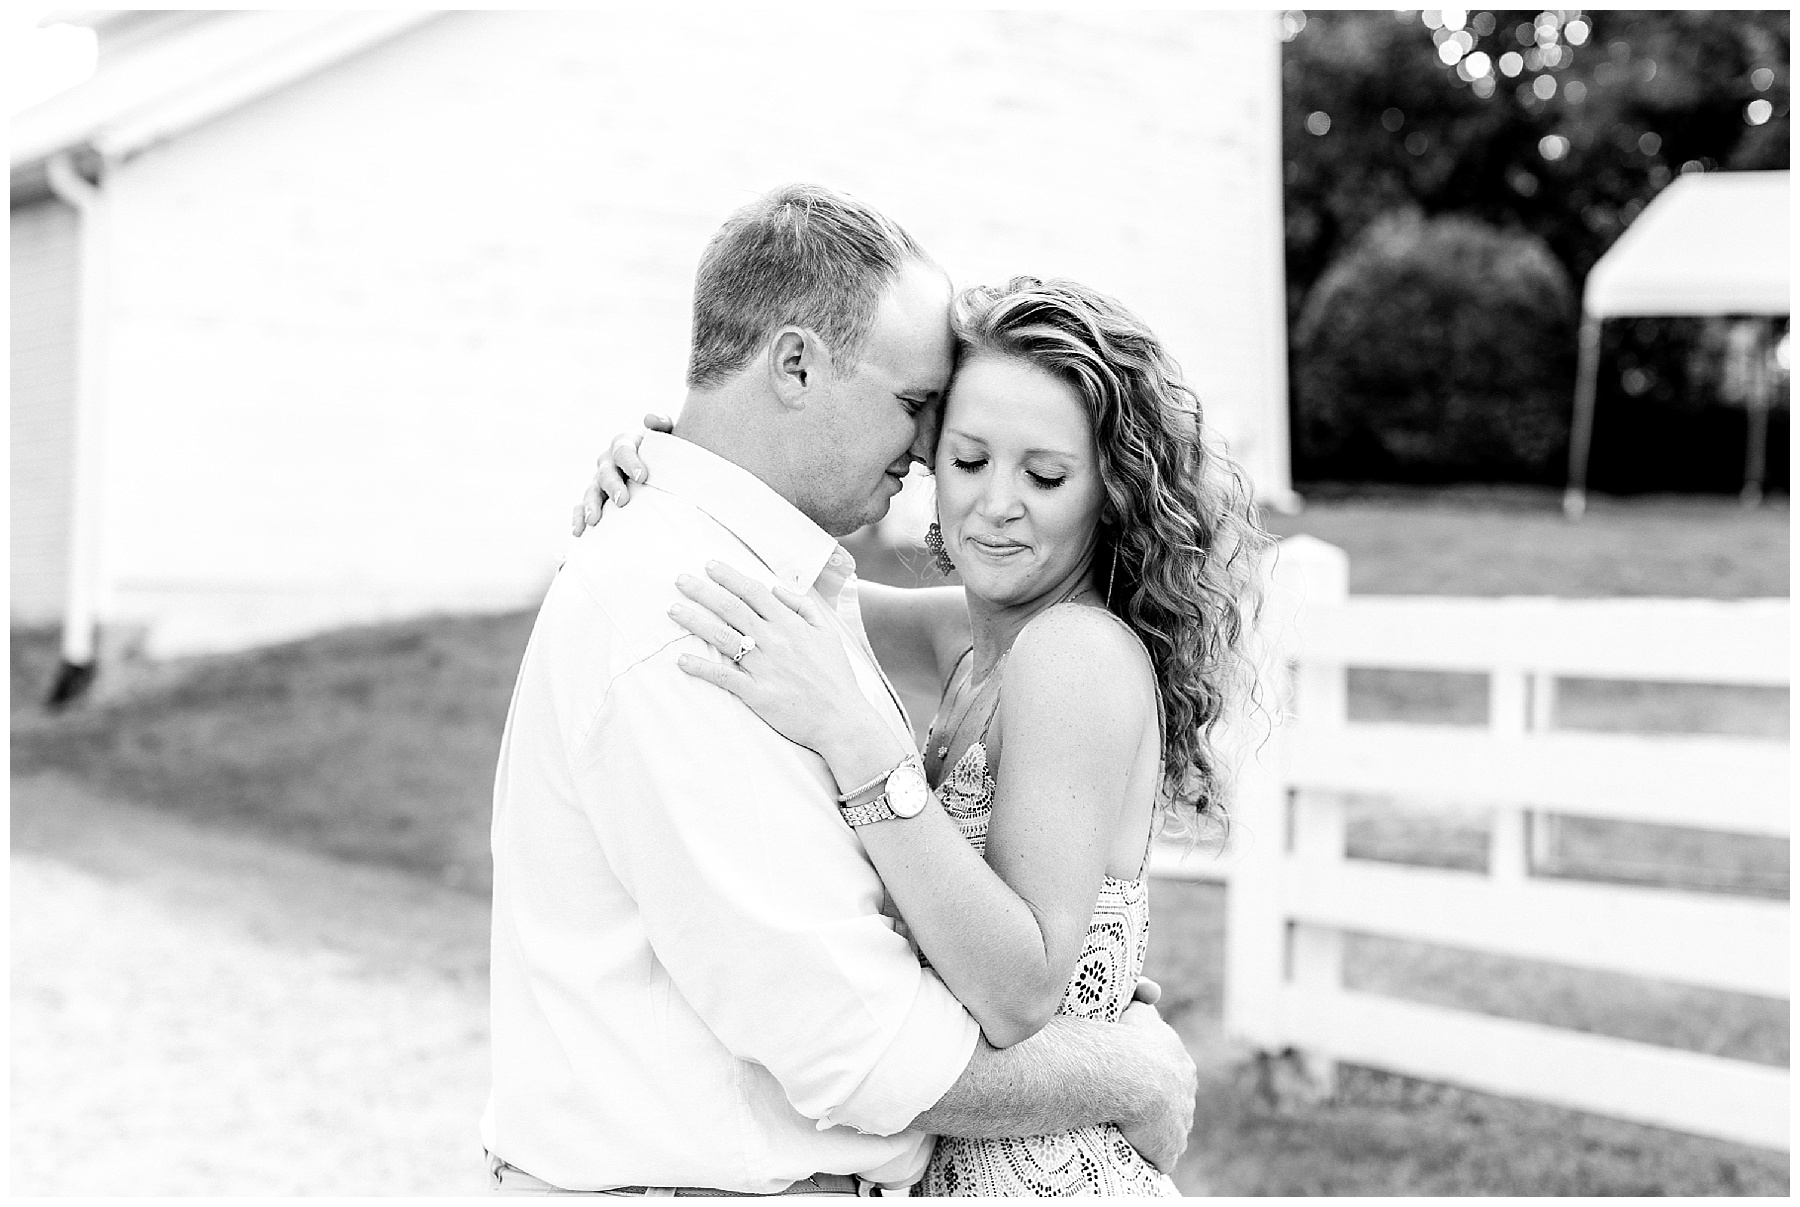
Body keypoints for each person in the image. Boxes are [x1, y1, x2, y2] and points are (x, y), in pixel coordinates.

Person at [483, 184, 1199, 1197]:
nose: (945, 473)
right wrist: (655, 458)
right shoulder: (742, 612)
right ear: (795, 364)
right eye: (949, 440)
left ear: (1107, 489)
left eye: (1046, 475)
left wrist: (868, 750)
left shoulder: (1067, 651)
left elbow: (1019, 979)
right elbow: (853, 1038)